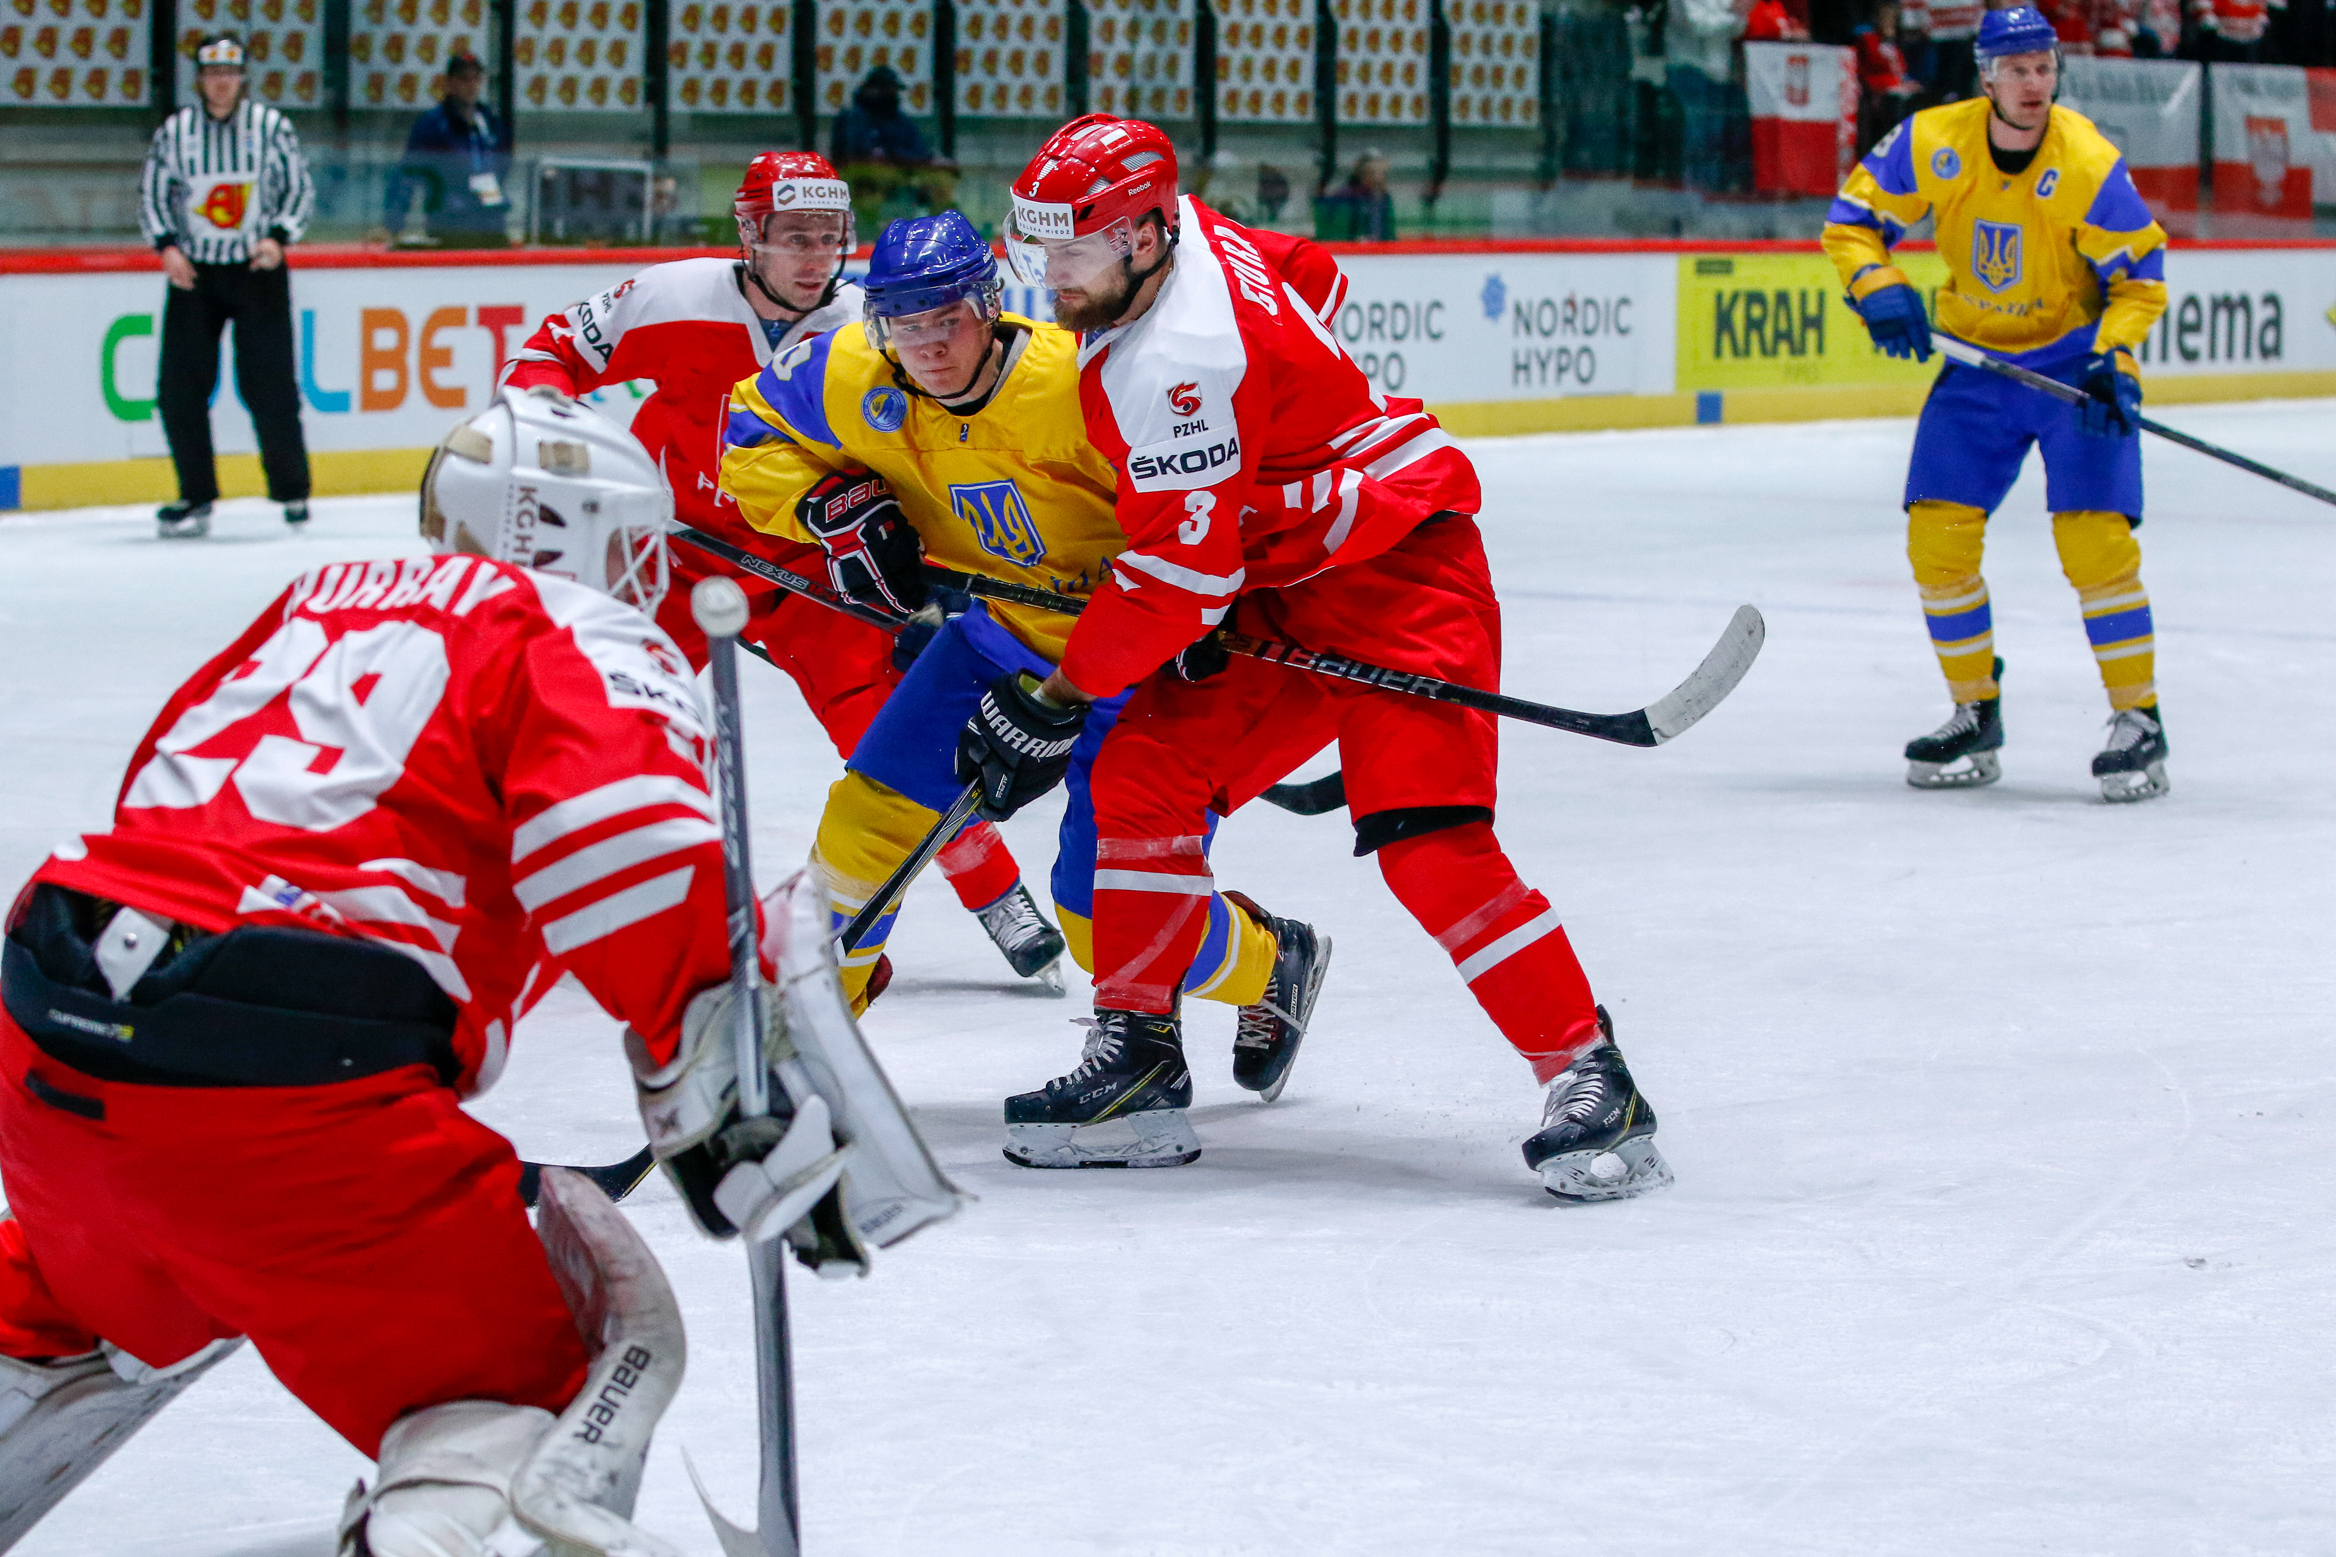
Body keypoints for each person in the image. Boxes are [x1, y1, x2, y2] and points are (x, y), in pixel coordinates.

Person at [0, 389, 942, 1555]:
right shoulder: (576, 626)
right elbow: (629, 856)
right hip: (289, 1083)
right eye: (635, 544)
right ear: (585, 534)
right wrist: (727, 1061)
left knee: (106, 1294)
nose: (645, 574)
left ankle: (47, 1344)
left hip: (50, 1025)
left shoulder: (312, 605)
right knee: (537, 1388)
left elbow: (162, 799)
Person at [962, 114, 1672, 1201]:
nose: (1049, 276)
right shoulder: (1186, 234)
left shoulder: (1181, 362)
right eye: (1041, 246)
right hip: (1286, 576)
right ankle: (1137, 1064)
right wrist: (1282, 436)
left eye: (1076, 250)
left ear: (1146, 237)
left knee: (1427, 842)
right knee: (1139, 775)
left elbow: (1172, 584)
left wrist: (1055, 695)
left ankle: (1589, 1074)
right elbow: (1312, 273)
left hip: (1397, 572)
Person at [719, 211, 1325, 1118]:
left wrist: (1211, 602)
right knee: (860, 837)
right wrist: (831, 506)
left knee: (1098, 917)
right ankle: (806, 1049)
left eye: (946, 317)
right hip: (998, 634)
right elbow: (748, 431)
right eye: (903, 321)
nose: (925, 343)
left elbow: (1223, 498)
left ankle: (1274, 960)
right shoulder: (852, 373)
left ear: (991, 303)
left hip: (1129, 663)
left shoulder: (1084, 382)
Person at [503, 152, 1057, 987]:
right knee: (603, 702)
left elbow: (937, 443)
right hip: (677, 550)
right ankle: (543, 886)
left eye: (829, 236)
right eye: (793, 235)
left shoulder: (871, 324)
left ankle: (994, 889)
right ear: (751, 235)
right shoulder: (671, 296)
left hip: (818, 563)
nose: (813, 256)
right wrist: (561, 453)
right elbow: (542, 362)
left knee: (892, 738)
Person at [1822, 4, 2171, 801]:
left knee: (2095, 545)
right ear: (1986, 77)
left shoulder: (2086, 162)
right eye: (2016, 70)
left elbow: (2140, 280)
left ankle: (2140, 717)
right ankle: (1973, 708)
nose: (2034, 83)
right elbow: (1851, 223)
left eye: (2044, 68)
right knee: (1936, 542)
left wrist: (2115, 359)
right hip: (1977, 368)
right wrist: (1878, 288)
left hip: (2070, 370)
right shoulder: (1931, 141)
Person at [137, 33, 314, 540]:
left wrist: (279, 238)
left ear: (243, 78)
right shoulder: (176, 132)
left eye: (230, 73)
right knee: (178, 389)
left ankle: (292, 489)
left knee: (271, 385)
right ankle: (196, 495)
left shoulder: (271, 127)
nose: (221, 83)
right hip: (196, 273)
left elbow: (300, 189)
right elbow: (152, 192)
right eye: (212, 73)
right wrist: (167, 246)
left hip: (257, 269)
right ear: (200, 78)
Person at [384, 51, 514, 247]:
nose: (471, 85)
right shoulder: (433, 125)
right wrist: (393, 224)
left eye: (476, 79)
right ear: (450, 83)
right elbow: (407, 175)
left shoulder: (490, 122)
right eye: (464, 79)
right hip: (451, 226)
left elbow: (502, 165)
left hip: (491, 225)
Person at [830, 65, 956, 232]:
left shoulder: (900, 120)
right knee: (873, 187)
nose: (891, 94)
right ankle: (867, 231)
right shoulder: (853, 117)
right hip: (863, 182)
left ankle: (944, 232)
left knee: (940, 180)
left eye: (893, 89)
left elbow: (921, 153)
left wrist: (896, 157)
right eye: (885, 89)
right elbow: (854, 153)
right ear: (871, 89)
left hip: (901, 180)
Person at [1320, 149, 1397, 240]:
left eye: (1382, 173)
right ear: (1362, 173)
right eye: (1373, 172)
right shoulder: (1345, 196)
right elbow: (1334, 232)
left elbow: (1387, 232)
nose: (1379, 178)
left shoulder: (1383, 198)